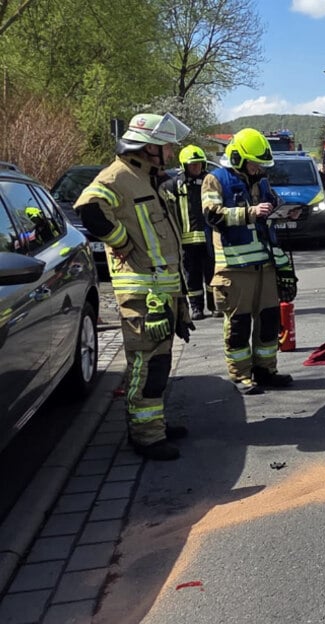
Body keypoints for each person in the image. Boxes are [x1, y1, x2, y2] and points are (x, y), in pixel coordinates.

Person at [75, 112, 194, 461]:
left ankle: (154, 424)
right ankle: (145, 436)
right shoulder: (118, 177)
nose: (171, 154)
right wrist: (121, 241)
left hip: (161, 291)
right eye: (166, 147)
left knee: (159, 364)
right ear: (147, 148)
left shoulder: (147, 179)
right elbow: (89, 209)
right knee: (146, 364)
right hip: (142, 295)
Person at [201, 128, 297, 396]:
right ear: (237, 158)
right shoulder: (215, 180)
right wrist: (249, 213)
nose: (258, 169)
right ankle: (241, 375)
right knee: (239, 326)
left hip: (264, 266)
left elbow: (270, 208)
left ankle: (266, 370)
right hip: (234, 267)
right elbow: (212, 215)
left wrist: (285, 211)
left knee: (268, 322)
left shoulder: (261, 182)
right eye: (255, 164)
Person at [160, 145, 219, 320]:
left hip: (208, 239)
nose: (196, 167)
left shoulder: (210, 182)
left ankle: (215, 306)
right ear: (185, 166)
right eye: (192, 165)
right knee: (191, 277)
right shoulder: (173, 185)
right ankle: (196, 308)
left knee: (212, 274)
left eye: (199, 164)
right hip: (186, 241)